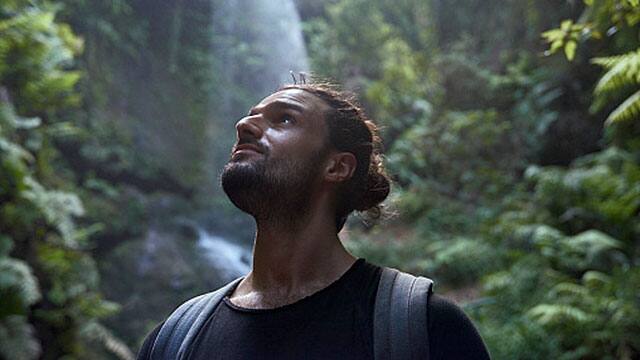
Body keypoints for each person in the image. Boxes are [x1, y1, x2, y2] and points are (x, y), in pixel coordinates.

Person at [137, 81, 490, 359]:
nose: (244, 125)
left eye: (284, 119)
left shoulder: (424, 329)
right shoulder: (174, 340)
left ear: (336, 167)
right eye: (251, 115)